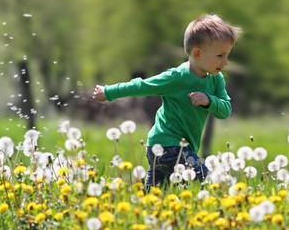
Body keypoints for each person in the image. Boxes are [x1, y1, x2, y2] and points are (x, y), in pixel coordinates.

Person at [92, 13, 241, 188]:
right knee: (206, 179)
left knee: (155, 195)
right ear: (198, 53)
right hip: (167, 147)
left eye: (227, 55)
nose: (226, 62)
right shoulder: (175, 77)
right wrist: (108, 92)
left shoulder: (216, 79)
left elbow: (225, 110)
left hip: (176, 149)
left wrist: (209, 100)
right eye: (220, 55)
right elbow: (142, 86)